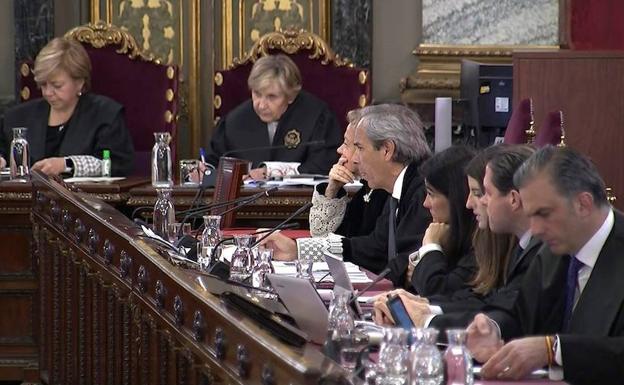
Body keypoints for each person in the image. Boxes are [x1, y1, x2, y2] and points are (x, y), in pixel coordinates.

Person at [466, 146, 624, 385]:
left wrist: (554, 349)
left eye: (544, 214)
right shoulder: (551, 252)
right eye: (531, 216)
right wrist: (492, 329)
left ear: (583, 203)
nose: (536, 229)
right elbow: (521, 314)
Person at [374, 145, 542, 331]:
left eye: (481, 193)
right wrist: (425, 305)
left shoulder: (533, 248)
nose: (471, 203)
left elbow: (499, 312)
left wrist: (427, 316)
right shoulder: (515, 243)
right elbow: (478, 301)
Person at [261, 104, 432, 285]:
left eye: (359, 148)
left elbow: (403, 263)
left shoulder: (423, 191)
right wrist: (298, 249)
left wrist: (299, 249)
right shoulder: (398, 186)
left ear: (387, 150)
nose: (355, 158)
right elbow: (374, 247)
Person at [0, 37, 134, 177]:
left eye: (57, 86)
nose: (48, 92)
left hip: (85, 197)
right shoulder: (17, 117)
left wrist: (66, 164)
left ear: (80, 82)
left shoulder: (106, 115)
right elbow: (3, 149)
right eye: (43, 85)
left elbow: (117, 163)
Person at [206, 54, 341, 179]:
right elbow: (213, 164)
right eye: (257, 94)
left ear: (291, 96)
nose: (261, 105)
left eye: (272, 97)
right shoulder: (234, 121)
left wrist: (270, 172)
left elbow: (324, 166)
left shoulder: (317, 117)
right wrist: (204, 171)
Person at [406, 145, 477, 296]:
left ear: (456, 197)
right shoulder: (446, 231)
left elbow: (436, 291)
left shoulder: (481, 244)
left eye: (431, 194)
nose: (425, 203)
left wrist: (431, 246)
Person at [309, 107, 389, 238]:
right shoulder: (365, 190)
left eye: (346, 144)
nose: (339, 150)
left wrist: (298, 248)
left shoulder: (386, 191)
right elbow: (321, 236)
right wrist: (332, 190)